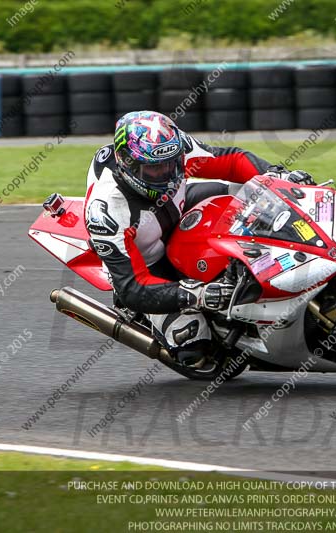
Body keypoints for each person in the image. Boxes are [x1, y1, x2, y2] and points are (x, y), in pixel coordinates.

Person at [84, 110, 312, 366]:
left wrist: (274, 175)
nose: (167, 174)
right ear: (129, 165)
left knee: (257, 196)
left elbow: (231, 160)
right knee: (195, 348)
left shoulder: (172, 145)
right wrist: (197, 295)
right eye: (155, 169)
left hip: (179, 208)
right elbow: (132, 288)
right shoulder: (106, 212)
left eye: (172, 164)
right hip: (149, 265)